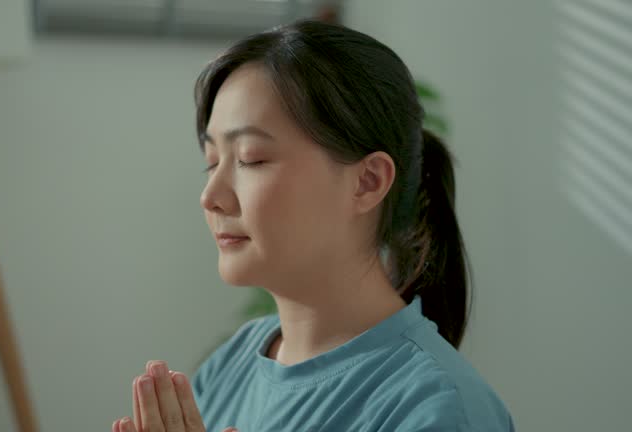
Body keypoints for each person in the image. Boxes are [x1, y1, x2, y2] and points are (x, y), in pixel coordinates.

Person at [113, 19, 514, 432]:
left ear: (368, 181)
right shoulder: (230, 367)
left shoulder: (439, 408)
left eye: (251, 158)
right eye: (212, 162)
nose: (210, 196)